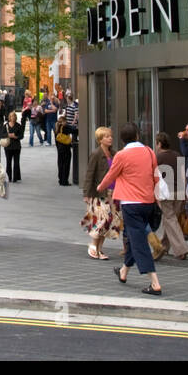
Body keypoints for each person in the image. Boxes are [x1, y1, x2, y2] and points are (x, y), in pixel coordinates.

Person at [99, 124, 163, 296]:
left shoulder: (121, 155)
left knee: (138, 241)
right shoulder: (149, 152)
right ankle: (124, 271)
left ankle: (154, 282)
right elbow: (156, 175)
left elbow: (111, 175)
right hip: (148, 202)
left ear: (122, 139)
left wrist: (100, 187)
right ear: (137, 135)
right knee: (133, 236)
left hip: (130, 204)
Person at [81, 126, 122, 259]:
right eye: (106, 136)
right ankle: (93, 246)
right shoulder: (96, 154)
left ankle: (99, 249)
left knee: (109, 221)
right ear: (100, 139)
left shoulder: (114, 154)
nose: (110, 138)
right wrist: (86, 193)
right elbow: (90, 174)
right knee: (103, 219)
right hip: (100, 193)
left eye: (110, 136)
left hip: (113, 192)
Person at [153, 133, 188, 260]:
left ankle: (182, 249)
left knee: (170, 219)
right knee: (172, 219)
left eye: (156, 143)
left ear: (159, 143)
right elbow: (183, 175)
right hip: (179, 191)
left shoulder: (157, 157)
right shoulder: (177, 155)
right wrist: (185, 192)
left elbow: (154, 176)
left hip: (167, 193)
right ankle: (163, 246)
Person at [56, 92, 78, 186]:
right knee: (66, 163)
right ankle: (65, 180)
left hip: (59, 147)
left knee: (60, 163)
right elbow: (75, 131)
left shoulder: (57, 127)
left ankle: (60, 179)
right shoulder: (66, 127)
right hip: (65, 147)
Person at [3, 110, 23, 183]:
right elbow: (1, 134)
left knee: (16, 162)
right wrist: (8, 135)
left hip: (16, 146)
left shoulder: (18, 125)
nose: (13, 117)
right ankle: (8, 177)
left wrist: (16, 137)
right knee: (8, 162)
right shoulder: (6, 125)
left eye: (14, 116)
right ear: (9, 117)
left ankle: (16, 177)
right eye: (11, 116)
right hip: (8, 146)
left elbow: (21, 136)